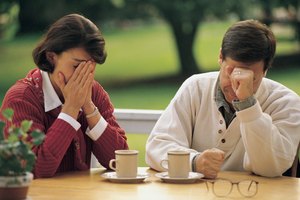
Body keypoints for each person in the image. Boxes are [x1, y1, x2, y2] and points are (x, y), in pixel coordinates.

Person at [145, 19, 300, 178]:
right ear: (220, 57)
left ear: (266, 70)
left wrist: (247, 105)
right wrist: (194, 162)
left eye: (250, 77)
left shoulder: (286, 103)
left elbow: (271, 168)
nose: (237, 85)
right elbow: (157, 146)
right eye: (231, 71)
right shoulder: (195, 88)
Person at [0, 14, 128, 178]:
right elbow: (34, 168)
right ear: (51, 57)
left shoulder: (94, 92)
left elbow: (121, 161)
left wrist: (88, 107)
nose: (85, 76)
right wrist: (71, 109)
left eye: (90, 67)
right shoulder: (21, 98)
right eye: (77, 66)